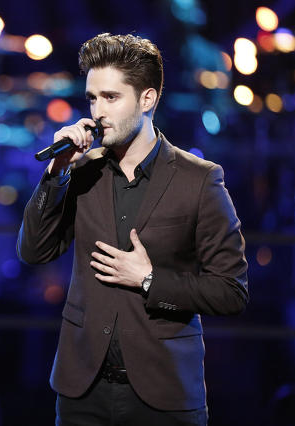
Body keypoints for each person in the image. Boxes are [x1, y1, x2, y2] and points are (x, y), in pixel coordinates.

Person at [16, 33, 249, 425]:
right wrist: (56, 172)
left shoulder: (199, 180)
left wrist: (149, 280)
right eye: (92, 98)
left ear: (147, 99)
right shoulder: (80, 172)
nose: (98, 112)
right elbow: (34, 251)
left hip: (164, 393)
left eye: (111, 97)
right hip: (82, 392)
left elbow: (231, 292)